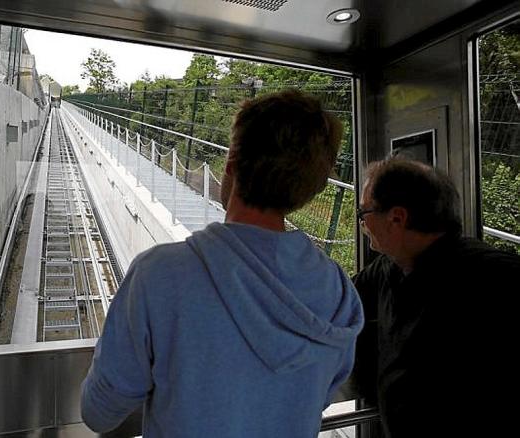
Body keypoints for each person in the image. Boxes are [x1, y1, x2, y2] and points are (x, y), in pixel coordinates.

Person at [80, 90, 364, 437]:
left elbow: (99, 413)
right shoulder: (338, 290)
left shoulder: (159, 274)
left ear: (231, 165)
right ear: (310, 189)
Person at [353, 158, 520, 438]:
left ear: (397, 218)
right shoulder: (388, 268)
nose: (363, 223)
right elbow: (338, 300)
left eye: (364, 213)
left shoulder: (496, 276)